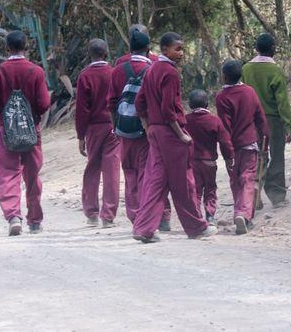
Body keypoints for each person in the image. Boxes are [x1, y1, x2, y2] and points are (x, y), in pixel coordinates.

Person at [131, 32, 217, 243]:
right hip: (171, 133)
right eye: (177, 49)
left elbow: (139, 102)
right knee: (184, 182)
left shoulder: (151, 70)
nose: (181, 53)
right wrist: (182, 135)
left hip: (156, 133)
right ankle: (196, 227)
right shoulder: (170, 73)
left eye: (182, 49)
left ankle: (143, 228)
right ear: (165, 50)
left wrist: (149, 125)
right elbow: (168, 109)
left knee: (156, 181)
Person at [0, 30, 51, 236]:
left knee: (8, 174)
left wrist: (5, 118)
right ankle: (34, 220)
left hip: (7, 131)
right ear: (26, 47)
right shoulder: (36, 71)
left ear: (7, 48)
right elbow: (43, 104)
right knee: (32, 175)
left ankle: (14, 216)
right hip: (32, 130)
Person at [108, 27, 172, 229]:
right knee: (151, 172)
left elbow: (111, 103)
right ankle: (159, 216)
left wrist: (115, 126)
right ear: (148, 47)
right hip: (148, 129)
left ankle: (136, 215)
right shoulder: (155, 67)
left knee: (130, 173)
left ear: (130, 47)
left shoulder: (118, 69)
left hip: (124, 130)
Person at [215, 60, 267, 235]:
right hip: (249, 143)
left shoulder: (221, 97)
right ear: (241, 75)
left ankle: (240, 212)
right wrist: (264, 137)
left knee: (235, 180)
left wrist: (227, 151)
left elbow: (224, 127)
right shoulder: (250, 92)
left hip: (232, 146)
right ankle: (244, 215)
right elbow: (260, 117)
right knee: (248, 179)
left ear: (224, 76)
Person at [241, 33, 291, 208]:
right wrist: (288, 125)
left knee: (258, 155)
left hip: (253, 119)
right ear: (273, 49)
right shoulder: (275, 70)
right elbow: (282, 101)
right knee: (277, 155)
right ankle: (277, 195)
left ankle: (254, 187)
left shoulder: (246, 69)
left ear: (256, 49)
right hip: (273, 119)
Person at [75, 38, 120, 228]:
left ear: (89, 54)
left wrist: (80, 135)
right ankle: (108, 216)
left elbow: (82, 110)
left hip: (93, 128)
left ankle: (91, 214)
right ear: (106, 53)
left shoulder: (85, 76)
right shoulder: (114, 73)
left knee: (92, 167)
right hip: (113, 126)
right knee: (112, 170)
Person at [184, 89, 233, 225]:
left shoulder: (185, 120)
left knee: (196, 190)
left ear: (189, 105)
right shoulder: (214, 120)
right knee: (210, 188)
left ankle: (197, 217)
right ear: (207, 104)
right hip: (209, 162)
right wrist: (229, 158)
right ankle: (210, 216)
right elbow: (225, 142)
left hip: (192, 162)